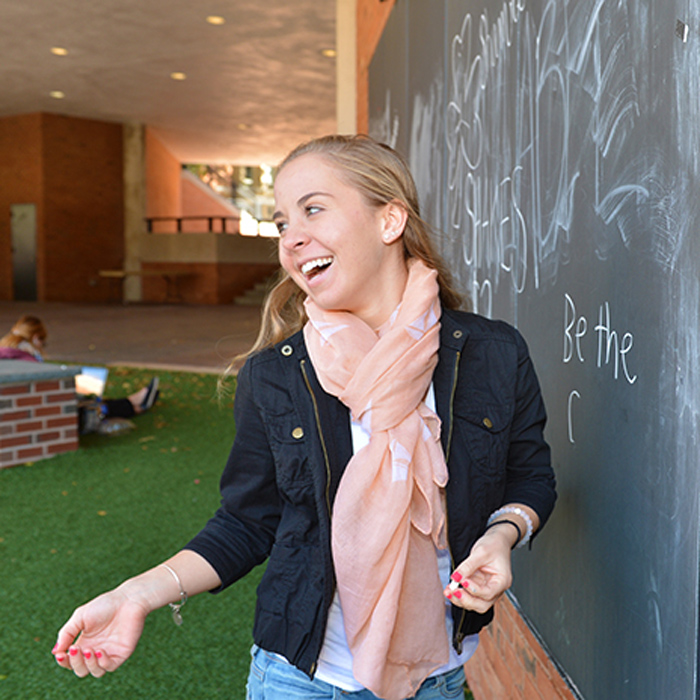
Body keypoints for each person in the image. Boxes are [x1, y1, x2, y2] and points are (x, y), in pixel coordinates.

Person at [52, 135, 556, 700]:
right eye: (280, 222)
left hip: (435, 675)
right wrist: (137, 593)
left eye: (313, 208)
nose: (291, 237)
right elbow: (248, 521)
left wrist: (500, 534)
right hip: (300, 679)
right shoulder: (276, 375)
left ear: (390, 219)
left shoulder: (493, 353)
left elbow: (529, 476)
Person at [0, 314, 160, 422]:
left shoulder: (7, 351)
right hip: (34, 411)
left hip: (19, 407)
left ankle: (134, 402)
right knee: (87, 405)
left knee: (87, 400)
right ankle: (135, 404)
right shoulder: (27, 357)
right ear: (36, 339)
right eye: (43, 342)